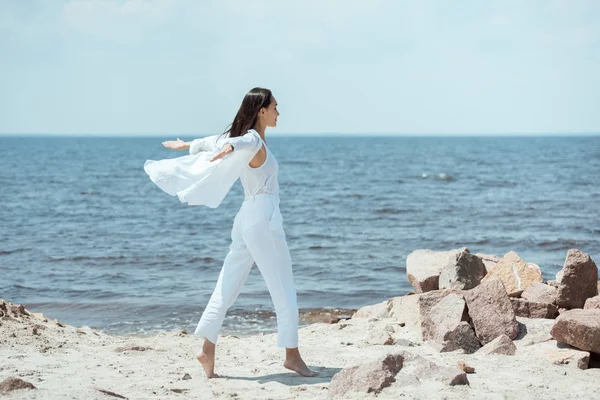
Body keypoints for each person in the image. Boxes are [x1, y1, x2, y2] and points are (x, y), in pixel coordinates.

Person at [144, 87, 317, 378]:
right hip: (263, 220)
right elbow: (240, 142)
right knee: (284, 289)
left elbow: (218, 141)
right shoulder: (253, 140)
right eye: (274, 107)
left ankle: (207, 349)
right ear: (261, 111)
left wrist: (188, 145)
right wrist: (230, 148)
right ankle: (292, 356)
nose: (278, 112)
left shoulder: (247, 139)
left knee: (227, 285)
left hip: (246, 218)